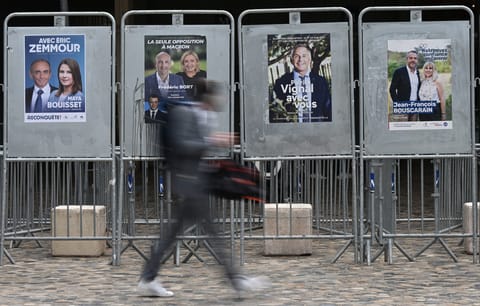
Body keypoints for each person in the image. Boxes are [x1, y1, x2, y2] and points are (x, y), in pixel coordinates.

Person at [137, 78, 270, 298]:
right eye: (218, 95)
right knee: (210, 234)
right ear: (208, 97)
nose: (221, 100)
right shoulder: (184, 113)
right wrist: (212, 141)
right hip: (188, 183)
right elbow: (183, 144)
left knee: (175, 234)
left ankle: (148, 278)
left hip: (194, 183)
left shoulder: (199, 114)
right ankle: (236, 281)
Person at [272, 43, 331, 123]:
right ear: (291, 60)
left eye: (304, 56)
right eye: (296, 56)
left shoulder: (321, 82)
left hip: (317, 131)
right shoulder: (281, 83)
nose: (300, 59)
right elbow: (277, 113)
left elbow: (328, 111)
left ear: (309, 59)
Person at [389, 50, 421, 121]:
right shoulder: (399, 72)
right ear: (407, 59)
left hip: (415, 107)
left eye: (415, 58)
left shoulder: (417, 72)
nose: (413, 60)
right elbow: (392, 89)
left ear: (417, 60)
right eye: (411, 58)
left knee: (413, 129)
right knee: (402, 129)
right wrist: (398, 104)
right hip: (403, 106)